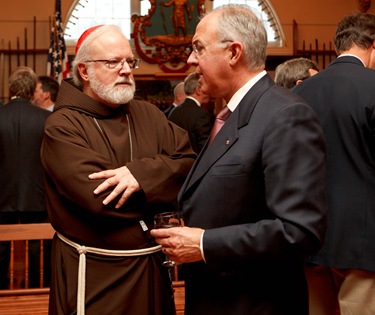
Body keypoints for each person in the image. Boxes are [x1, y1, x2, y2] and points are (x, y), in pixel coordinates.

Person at [151, 4, 328, 315]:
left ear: (233, 53)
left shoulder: (285, 115)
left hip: (255, 303)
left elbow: (299, 231)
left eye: (198, 48)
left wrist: (204, 243)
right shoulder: (230, 115)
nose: (191, 60)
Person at [40, 25, 196, 315]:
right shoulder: (62, 126)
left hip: (151, 269)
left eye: (129, 61)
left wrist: (140, 175)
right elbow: (100, 200)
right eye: (113, 62)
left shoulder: (148, 113)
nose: (126, 70)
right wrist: (163, 193)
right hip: (100, 276)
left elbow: (189, 165)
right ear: (84, 71)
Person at [292, 12, 375, 315]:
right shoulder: (372, 86)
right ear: (373, 45)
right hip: (364, 239)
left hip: (309, 234)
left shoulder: (297, 92)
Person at [0, 66, 51, 289]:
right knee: (37, 246)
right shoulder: (46, 119)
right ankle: (38, 289)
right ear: (32, 90)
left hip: (2, 193)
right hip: (37, 193)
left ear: (11, 88)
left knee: (0, 247)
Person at [168, 72, 213, 154]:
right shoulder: (201, 114)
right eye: (205, 87)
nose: (209, 92)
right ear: (198, 90)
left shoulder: (174, 111)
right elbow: (205, 148)